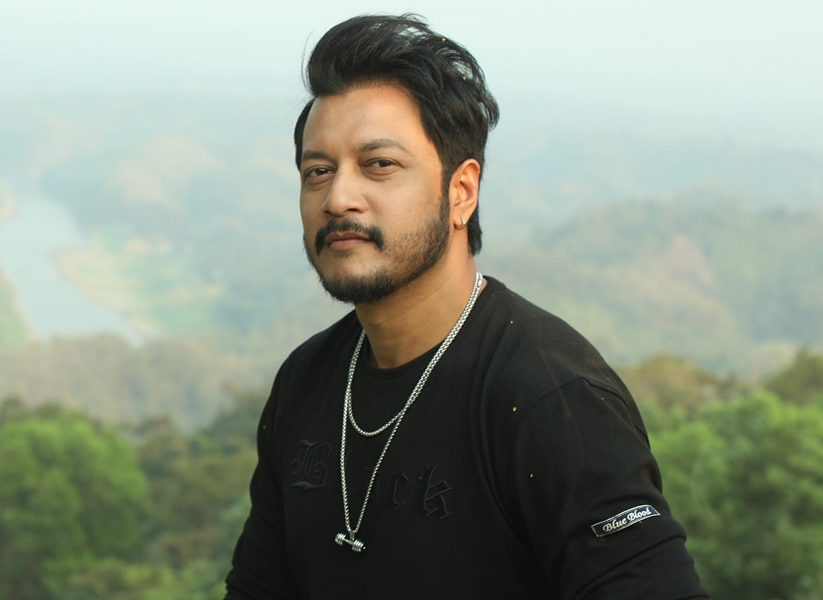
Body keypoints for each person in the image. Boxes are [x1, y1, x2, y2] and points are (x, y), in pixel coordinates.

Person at [224, 14, 708, 600]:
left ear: (462, 192)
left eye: (379, 165)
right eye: (317, 171)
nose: (338, 197)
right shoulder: (306, 380)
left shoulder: (550, 399)